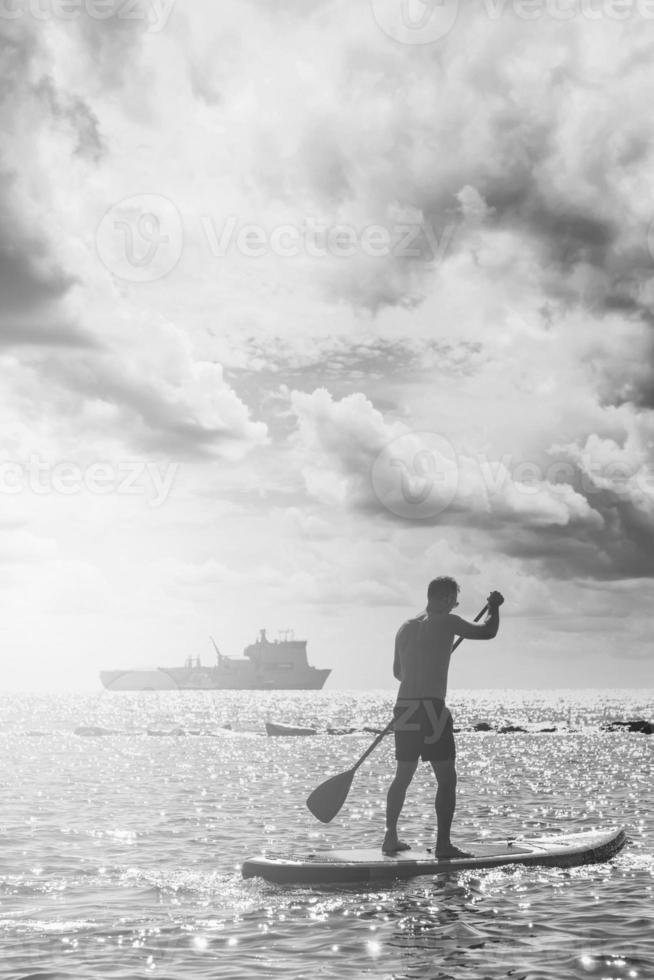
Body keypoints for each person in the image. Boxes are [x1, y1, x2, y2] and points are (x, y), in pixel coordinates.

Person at [382, 577, 504, 858]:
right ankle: (443, 846)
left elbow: (398, 673)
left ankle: (390, 837)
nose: (454, 606)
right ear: (445, 598)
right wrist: (494, 606)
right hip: (431, 710)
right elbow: (488, 632)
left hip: (405, 707)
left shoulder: (405, 627)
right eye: (454, 601)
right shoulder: (447, 622)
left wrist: (428, 660)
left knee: (402, 776)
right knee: (447, 780)